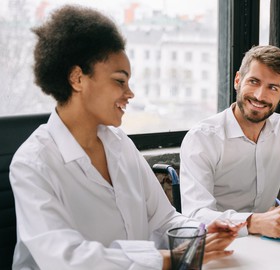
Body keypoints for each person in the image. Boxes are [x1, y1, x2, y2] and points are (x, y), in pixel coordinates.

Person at [9, 5, 245, 270]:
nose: (130, 93)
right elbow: (68, 259)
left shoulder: (120, 145)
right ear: (77, 78)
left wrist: (199, 231)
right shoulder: (33, 164)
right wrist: (167, 259)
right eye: (120, 81)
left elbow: (164, 220)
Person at [179, 45, 280, 238]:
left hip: (271, 241)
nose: (260, 96)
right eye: (254, 82)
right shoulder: (202, 138)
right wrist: (253, 222)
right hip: (221, 243)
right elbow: (196, 215)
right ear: (238, 80)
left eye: (272, 88)